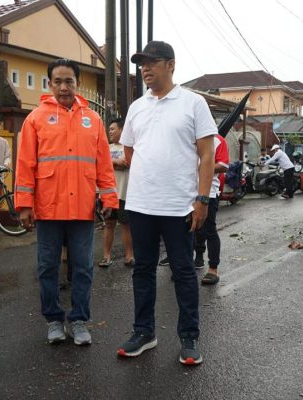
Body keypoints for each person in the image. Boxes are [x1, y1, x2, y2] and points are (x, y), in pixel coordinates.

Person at [116, 41, 215, 366]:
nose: (145, 68)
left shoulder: (193, 103)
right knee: (142, 270)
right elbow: (129, 151)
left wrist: (201, 198)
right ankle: (144, 332)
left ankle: (189, 337)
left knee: (184, 271)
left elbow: (206, 154)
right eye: (141, 63)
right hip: (141, 205)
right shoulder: (137, 107)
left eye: (152, 62)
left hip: (179, 207)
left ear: (170, 65)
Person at [15, 58, 118, 346]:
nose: (63, 87)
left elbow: (103, 164)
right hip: (48, 208)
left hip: (83, 208)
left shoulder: (93, 120)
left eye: (69, 81)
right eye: (58, 81)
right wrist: (24, 203)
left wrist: (109, 196)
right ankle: (53, 320)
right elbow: (25, 164)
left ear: (77, 83)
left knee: (83, 267)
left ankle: (79, 319)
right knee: (47, 267)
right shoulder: (35, 118)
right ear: (50, 84)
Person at [99, 118, 134, 268]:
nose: (110, 132)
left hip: (124, 193)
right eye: (109, 129)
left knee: (126, 225)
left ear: (122, 130)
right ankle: (106, 256)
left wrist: (115, 163)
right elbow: (100, 164)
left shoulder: (129, 147)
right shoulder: (106, 148)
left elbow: (127, 162)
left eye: (113, 129)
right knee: (109, 224)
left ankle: (129, 256)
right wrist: (114, 162)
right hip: (108, 194)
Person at [195, 134, 229, 285]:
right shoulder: (186, 135)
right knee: (186, 229)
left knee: (208, 229)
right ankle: (190, 263)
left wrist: (201, 166)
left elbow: (223, 165)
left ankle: (213, 269)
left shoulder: (217, 139)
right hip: (185, 191)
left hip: (208, 191)